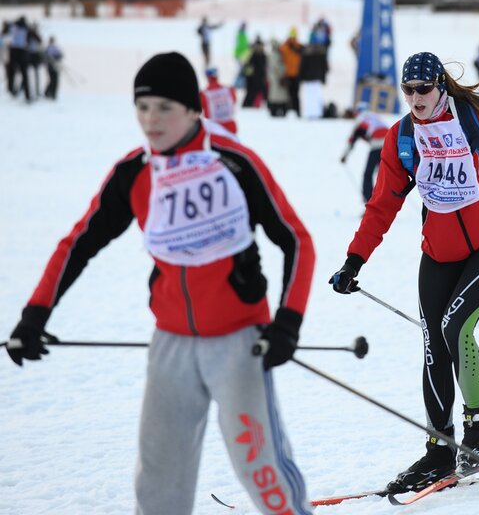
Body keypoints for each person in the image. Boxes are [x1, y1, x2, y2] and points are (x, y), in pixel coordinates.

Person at [5, 52, 315, 515]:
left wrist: (287, 323)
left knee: (263, 475)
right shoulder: (136, 171)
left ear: (193, 110)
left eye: (164, 107)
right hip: (170, 346)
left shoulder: (233, 162)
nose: (151, 120)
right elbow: (78, 244)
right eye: (142, 107)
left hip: (239, 343)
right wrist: (34, 316)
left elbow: (296, 240)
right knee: (158, 485)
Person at [328, 52, 479, 493]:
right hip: (440, 252)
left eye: (423, 89)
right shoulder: (402, 139)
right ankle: (439, 449)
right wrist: (355, 260)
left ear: (441, 87)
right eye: (407, 90)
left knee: (455, 327)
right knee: (433, 339)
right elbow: (382, 206)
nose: (415, 98)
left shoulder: (476, 123)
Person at [340, 102, 390, 202]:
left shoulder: (360, 120)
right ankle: (387, 201)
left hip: (376, 145)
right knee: (384, 175)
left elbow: (352, 140)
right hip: (389, 144)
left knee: (368, 175)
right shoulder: (375, 116)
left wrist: (344, 156)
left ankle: (370, 203)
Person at [199, 66, 238, 133]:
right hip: (231, 127)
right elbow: (234, 101)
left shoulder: (204, 94)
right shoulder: (229, 90)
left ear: (207, 77)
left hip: (213, 129)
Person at [280, 27, 303, 117]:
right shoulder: (287, 46)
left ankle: (294, 111)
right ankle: (292, 111)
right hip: (290, 74)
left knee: (292, 94)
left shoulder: (297, 47)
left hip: (292, 74)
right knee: (292, 95)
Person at [242, 37, 268, 108]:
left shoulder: (262, 55)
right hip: (251, 77)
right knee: (251, 92)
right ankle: (247, 105)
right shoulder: (253, 54)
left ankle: (255, 104)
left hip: (259, 77)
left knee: (259, 91)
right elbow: (247, 66)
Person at [267, 39, 290, 117]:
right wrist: (283, 70)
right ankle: (277, 110)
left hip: (274, 77)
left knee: (275, 95)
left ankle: (275, 110)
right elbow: (277, 66)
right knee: (279, 96)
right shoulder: (275, 54)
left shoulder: (273, 54)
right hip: (277, 77)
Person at [43, 35, 62, 100]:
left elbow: (60, 55)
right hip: (50, 66)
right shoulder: (48, 48)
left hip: (55, 66)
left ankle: (52, 94)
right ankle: (48, 93)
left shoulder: (55, 48)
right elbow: (45, 57)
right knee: (53, 80)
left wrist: (56, 59)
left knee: (54, 80)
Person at [233, 21, 250, 89]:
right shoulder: (241, 34)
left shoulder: (242, 34)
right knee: (241, 69)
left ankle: (240, 83)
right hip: (241, 55)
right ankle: (238, 83)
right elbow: (242, 45)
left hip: (243, 55)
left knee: (242, 69)